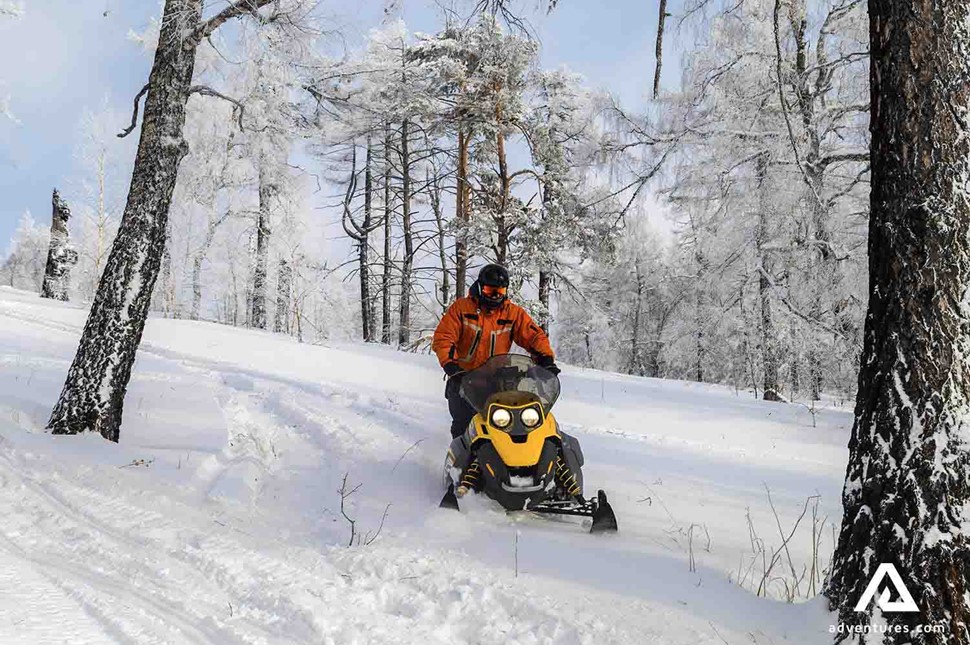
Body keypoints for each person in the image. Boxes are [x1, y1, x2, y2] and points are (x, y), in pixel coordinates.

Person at [432, 264, 560, 438]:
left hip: (498, 381)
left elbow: (534, 336)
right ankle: (461, 465)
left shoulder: (512, 313)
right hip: (463, 379)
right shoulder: (462, 309)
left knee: (510, 426)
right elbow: (444, 338)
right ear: (479, 287)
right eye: (489, 290)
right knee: (464, 428)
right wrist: (451, 366)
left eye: (500, 291)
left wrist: (546, 360)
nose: (495, 296)